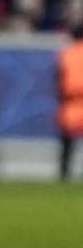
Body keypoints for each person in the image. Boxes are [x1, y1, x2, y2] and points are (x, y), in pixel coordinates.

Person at [57, 22, 83, 180]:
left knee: (67, 145)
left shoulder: (66, 53)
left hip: (71, 103)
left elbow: (59, 79)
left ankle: (64, 175)